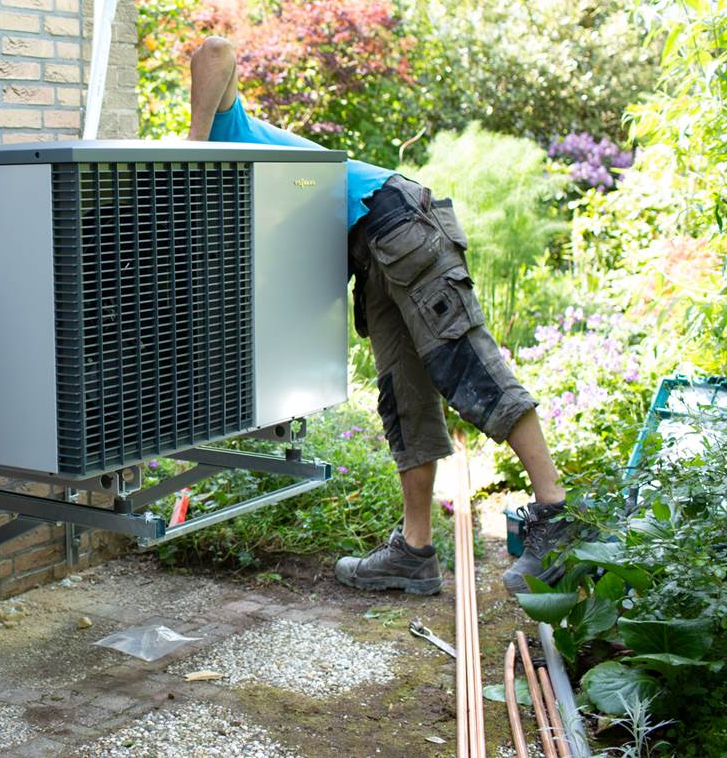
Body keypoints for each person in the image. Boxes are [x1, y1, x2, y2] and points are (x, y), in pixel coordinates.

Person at [187, 36, 581, 597]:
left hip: (393, 221)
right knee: (404, 397)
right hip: (368, 255)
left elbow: (215, 51)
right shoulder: (218, 206)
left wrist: (194, 149)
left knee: (464, 362)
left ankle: (556, 516)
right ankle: (413, 553)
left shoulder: (226, 136)